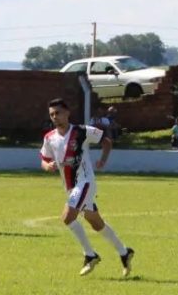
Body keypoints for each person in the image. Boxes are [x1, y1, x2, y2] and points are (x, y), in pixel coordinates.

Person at [39, 98, 135, 277]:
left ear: (67, 113)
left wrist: (103, 160)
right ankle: (124, 252)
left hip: (85, 183)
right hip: (70, 187)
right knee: (96, 223)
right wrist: (48, 166)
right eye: (52, 114)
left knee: (67, 217)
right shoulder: (49, 138)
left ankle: (90, 255)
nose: (55, 117)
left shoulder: (82, 131)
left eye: (58, 113)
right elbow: (43, 160)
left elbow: (106, 141)